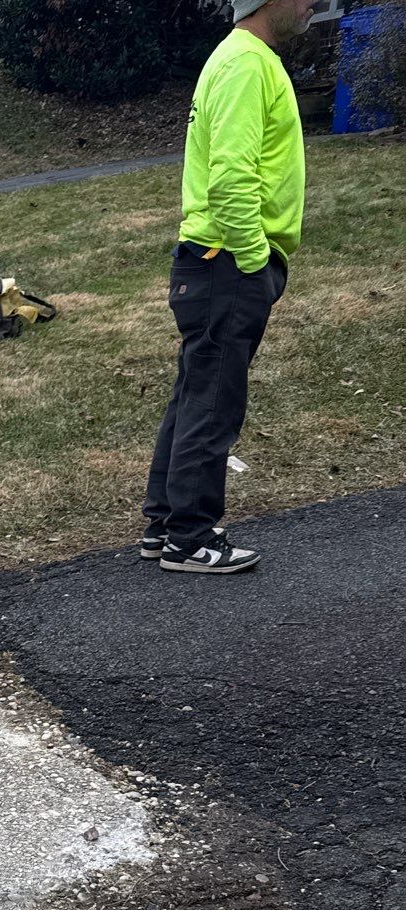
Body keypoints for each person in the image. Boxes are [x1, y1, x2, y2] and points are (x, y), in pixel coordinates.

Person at [142, 0, 313, 575]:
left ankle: (165, 526)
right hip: (227, 263)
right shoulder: (245, 63)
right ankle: (190, 539)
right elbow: (231, 176)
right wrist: (256, 258)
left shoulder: (234, 57)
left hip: (212, 262)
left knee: (197, 392)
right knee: (215, 402)